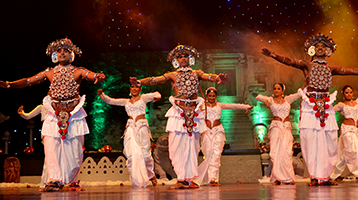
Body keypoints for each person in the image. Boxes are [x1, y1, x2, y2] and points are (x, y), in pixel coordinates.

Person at [261, 33, 358, 186]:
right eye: (317, 46)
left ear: (328, 50)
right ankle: (314, 177)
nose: (321, 48)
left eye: (323, 46)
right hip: (310, 105)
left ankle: (326, 176)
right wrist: (273, 55)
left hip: (326, 104)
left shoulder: (332, 68)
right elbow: (289, 61)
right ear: (312, 49)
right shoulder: (307, 65)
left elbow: (354, 71)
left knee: (328, 142)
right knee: (310, 141)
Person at [0, 38, 106, 192]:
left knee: (75, 153)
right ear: (55, 55)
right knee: (51, 149)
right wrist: (11, 84)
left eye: (66, 51)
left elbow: (90, 75)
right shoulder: (48, 72)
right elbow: (29, 81)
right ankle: (54, 180)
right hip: (53, 115)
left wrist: (97, 76)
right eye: (59, 51)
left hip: (74, 115)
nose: (62, 53)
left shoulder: (78, 70)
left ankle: (72, 181)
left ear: (71, 55)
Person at [129, 44, 228, 189]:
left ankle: (188, 180)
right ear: (176, 60)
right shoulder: (171, 75)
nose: (183, 59)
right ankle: (180, 178)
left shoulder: (197, 73)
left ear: (190, 58)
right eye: (180, 57)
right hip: (178, 113)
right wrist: (139, 82)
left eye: (185, 56)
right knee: (176, 148)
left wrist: (219, 78)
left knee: (192, 149)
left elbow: (209, 77)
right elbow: (154, 80)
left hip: (194, 114)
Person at [98, 83, 161, 188]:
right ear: (130, 89)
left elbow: (157, 94)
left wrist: (156, 97)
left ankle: (150, 174)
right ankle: (135, 178)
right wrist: (102, 95)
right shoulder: (126, 101)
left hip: (142, 127)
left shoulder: (143, 98)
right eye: (132, 87)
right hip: (131, 128)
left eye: (136, 87)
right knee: (131, 155)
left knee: (145, 155)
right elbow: (110, 101)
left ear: (140, 88)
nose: (134, 89)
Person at [197, 87, 252, 186]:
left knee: (216, 154)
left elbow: (233, 106)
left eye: (213, 96)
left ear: (216, 96)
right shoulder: (202, 105)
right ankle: (208, 177)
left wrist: (246, 106)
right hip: (206, 132)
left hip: (218, 131)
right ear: (207, 96)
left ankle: (213, 179)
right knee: (208, 154)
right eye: (210, 95)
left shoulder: (219, 105)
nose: (211, 97)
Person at [256, 83, 300, 185]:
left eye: (278, 89)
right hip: (276, 127)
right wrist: (266, 100)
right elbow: (258, 97)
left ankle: (288, 177)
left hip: (286, 127)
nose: (276, 90)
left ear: (282, 90)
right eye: (274, 88)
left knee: (287, 152)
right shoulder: (271, 100)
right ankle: (276, 178)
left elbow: (300, 94)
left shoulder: (288, 100)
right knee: (275, 152)